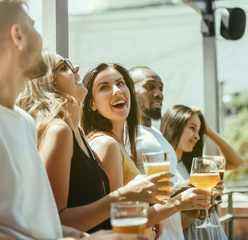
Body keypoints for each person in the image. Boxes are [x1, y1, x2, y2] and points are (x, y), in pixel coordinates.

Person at [0, 1, 147, 239]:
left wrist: (89, 238)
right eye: (33, 26)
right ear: (18, 36)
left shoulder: (22, 122)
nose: (40, 36)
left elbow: (32, 226)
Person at [17, 52, 172, 234]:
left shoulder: (79, 133)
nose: (76, 68)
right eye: (64, 67)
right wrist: (126, 196)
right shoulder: (59, 131)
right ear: (47, 82)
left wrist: (143, 214)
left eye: (121, 83)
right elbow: (54, 221)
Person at [81, 63, 212, 240]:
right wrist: (177, 203)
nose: (117, 90)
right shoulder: (106, 145)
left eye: (120, 83)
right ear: (92, 103)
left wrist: (150, 214)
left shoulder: (115, 143)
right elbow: (116, 219)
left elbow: (127, 209)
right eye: (104, 87)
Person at [160, 105, 243, 240]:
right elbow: (175, 225)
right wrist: (205, 201)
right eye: (192, 128)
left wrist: (208, 130)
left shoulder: (196, 166)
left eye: (199, 131)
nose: (197, 136)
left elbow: (236, 161)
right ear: (174, 126)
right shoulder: (162, 168)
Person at [128, 66, 185, 240]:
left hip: (172, 233)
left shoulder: (155, 131)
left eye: (161, 88)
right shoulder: (126, 132)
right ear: (130, 90)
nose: (159, 93)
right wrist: (178, 191)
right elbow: (127, 190)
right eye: (150, 86)